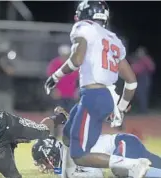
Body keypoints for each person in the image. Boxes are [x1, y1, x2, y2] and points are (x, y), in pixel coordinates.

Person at [44, 1, 151, 178]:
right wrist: (121, 109)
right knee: (69, 134)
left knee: (80, 155)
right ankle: (67, 174)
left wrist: (55, 76)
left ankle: (132, 165)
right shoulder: (113, 39)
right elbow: (132, 82)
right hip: (104, 97)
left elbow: (77, 59)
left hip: (93, 96)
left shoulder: (83, 27)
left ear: (83, 15)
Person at [32, 134, 161, 178]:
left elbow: (96, 174)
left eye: (42, 161)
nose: (43, 166)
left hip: (123, 143)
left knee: (120, 169)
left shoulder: (71, 154)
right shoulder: (67, 151)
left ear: (50, 155)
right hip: (127, 143)